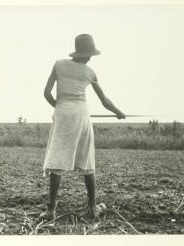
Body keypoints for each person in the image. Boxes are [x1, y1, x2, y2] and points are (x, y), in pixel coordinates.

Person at [40, 34, 125, 221]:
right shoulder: (90, 72)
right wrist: (119, 112)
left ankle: (50, 211)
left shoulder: (59, 64)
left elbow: (46, 93)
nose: (89, 57)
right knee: (87, 161)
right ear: (83, 53)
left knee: (57, 161)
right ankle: (93, 208)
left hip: (63, 115)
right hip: (81, 116)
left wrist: (61, 107)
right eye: (88, 54)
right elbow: (105, 101)